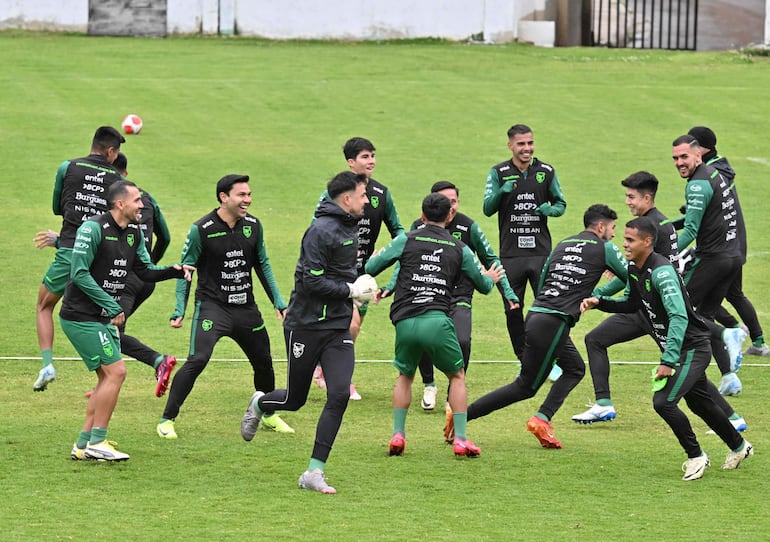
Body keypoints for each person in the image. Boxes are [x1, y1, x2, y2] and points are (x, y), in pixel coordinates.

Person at [581, 217, 753, 480]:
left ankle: (696, 456)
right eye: (624, 238)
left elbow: (679, 317)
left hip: (693, 349)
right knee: (700, 404)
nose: (624, 244)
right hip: (681, 351)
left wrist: (669, 360)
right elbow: (631, 303)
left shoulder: (662, 273)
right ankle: (739, 446)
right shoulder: (634, 267)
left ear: (647, 242)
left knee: (664, 402)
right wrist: (600, 302)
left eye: (630, 240)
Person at [447, 205, 627, 449]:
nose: (614, 234)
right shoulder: (604, 248)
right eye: (613, 228)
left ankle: (542, 419)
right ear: (600, 226)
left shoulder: (563, 244)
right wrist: (597, 295)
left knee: (574, 368)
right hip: (554, 322)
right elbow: (631, 277)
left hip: (537, 315)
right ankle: (462, 417)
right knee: (525, 386)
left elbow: (543, 282)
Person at [240, 171, 375, 494]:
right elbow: (311, 282)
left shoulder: (350, 226)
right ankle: (261, 404)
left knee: (339, 393)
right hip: (305, 326)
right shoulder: (320, 232)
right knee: (294, 399)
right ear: (346, 200)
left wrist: (360, 290)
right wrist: (350, 290)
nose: (367, 200)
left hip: (337, 327)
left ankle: (314, 471)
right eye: (362, 195)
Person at [365, 192, 508, 458]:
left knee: (405, 375)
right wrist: (490, 276)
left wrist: (375, 257)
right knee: (457, 376)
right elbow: (485, 286)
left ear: (422, 216)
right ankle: (461, 439)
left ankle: (398, 434)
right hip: (437, 321)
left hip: (405, 321)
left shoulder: (405, 240)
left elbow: (371, 267)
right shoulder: (459, 247)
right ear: (449, 215)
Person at [157, 174, 293, 439]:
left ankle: (267, 414)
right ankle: (167, 420)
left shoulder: (253, 226)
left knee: (264, 362)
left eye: (249, 195)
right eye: (242, 195)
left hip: (246, 308)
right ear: (223, 197)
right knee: (198, 359)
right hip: (213, 308)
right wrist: (179, 310)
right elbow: (187, 270)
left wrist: (279, 302)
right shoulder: (202, 229)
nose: (248, 200)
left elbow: (262, 264)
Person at [64, 180, 192, 461]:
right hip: (80, 316)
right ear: (120, 204)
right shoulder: (93, 229)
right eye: (137, 200)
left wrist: (173, 270)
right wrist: (111, 305)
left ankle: (83, 445)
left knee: (105, 378)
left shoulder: (133, 233)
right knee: (117, 372)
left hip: (99, 317)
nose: (143, 206)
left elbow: (144, 271)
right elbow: (79, 273)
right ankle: (98, 442)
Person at [35, 152, 177, 397]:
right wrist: (153, 263)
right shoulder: (149, 201)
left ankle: (156, 361)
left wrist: (61, 242)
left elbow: (95, 255)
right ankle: (106, 382)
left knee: (108, 326)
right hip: (145, 277)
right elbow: (165, 236)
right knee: (110, 329)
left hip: (123, 276)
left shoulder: (109, 216)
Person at [395, 181, 518, 411]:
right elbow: (404, 262)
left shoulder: (469, 227)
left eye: (453, 201)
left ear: (458, 202)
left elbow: (491, 259)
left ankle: (454, 392)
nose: (450, 207)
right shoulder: (418, 227)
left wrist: (508, 293)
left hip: (459, 295)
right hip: (427, 295)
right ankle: (429, 384)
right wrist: (391, 286)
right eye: (444, 201)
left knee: (463, 341)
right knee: (421, 339)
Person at [572, 172, 678, 422]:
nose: (628, 202)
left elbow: (637, 276)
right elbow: (632, 275)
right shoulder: (662, 223)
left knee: (690, 370)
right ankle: (603, 404)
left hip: (652, 311)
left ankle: (729, 417)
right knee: (595, 340)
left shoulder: (647, 228)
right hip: (643, 308)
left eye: (631, 197)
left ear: (647, 197)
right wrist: (599, 296)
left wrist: (597, 294)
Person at [34, 126, 125, 391]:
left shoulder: (68, 167)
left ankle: (48, 364)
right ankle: (106, 377)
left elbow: (56, 208)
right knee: (97, 315)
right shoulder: (118, 182)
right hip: (101, 259)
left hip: (71, 251)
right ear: (110, 152)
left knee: (44, 306)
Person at [312, 137, 405, 400]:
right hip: (336, 272)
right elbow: (316, 229)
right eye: (365, 156)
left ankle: (327, 371)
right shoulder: (335, 192)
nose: (371, 160)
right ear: (351, 162)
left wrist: (385, 253)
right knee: (348, 325)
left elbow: (399, 231)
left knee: (353, 328)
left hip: (364, 276)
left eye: (373, 155)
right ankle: (332, 375)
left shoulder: (381, 194)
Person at [483, 124, 567, 381]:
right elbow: (487, 208)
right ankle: (524, 360)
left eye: (530, 143)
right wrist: (501, 193)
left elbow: (561, 203)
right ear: (510, 145)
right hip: (510, 253)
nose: (527, 149)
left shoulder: (546, 171)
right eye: (521, 144)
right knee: (513, 309)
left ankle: (548, 359)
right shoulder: (498, 172)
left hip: (541, 253)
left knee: (547, 309)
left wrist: (549, 211)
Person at [671, 134, 746, 396]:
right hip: (732, 256)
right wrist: (668, 225)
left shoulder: (696, 184)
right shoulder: (715, 175)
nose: (679, 162)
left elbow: (691, 230)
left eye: (684, 157)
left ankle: (729, 335)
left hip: (712, 258)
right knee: (704, 315)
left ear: (698, 155)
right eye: (675, 158)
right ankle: (729, 377)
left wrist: (666, 255)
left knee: (678, 308)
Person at [687, 126, 768, 359]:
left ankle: (737, 334)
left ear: (703, 148)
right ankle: (753, 339)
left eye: (692, 147)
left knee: (707, 297)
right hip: (733, 244)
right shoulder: (720, 168)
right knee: (731, 294)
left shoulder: (712, 174)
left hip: (722, 247)